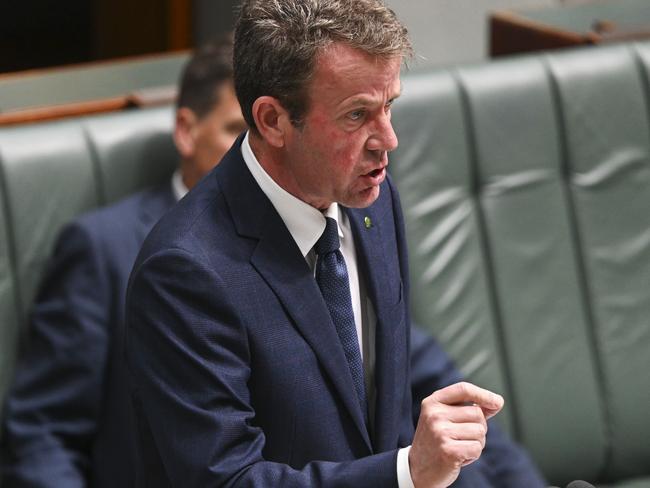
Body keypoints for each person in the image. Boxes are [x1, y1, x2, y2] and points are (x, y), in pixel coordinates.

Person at [125, 1, 546, 487]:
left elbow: (379, 410)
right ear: (272, 121)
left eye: (389, 105)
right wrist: (404, 474)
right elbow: (229, 480)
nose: (387, 139)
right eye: (356, 115)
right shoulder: (185, 272)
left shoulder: (373, 199)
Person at [0, 37, 246, 487]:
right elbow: (44, 434)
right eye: (235, 132)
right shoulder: (102, 249)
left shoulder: (306, 232)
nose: (251, 157)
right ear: (186, 131)